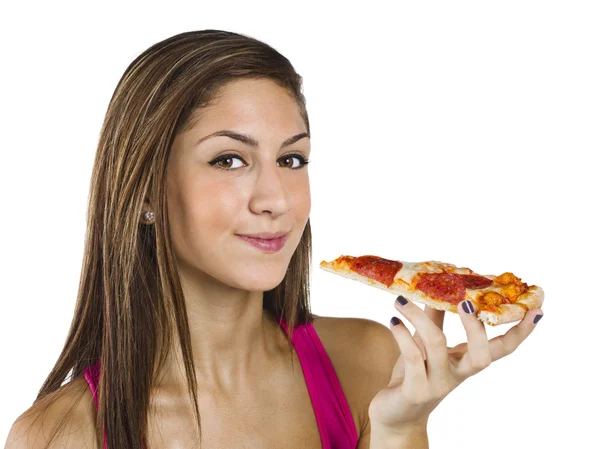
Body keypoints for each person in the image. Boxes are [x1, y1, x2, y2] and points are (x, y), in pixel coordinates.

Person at [4, 29, 543, 449]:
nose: (277, 198)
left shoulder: (369, 363)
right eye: (229, 159)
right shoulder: (59, 434)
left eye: (291, 160)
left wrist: (402, 427)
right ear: (144, 190)